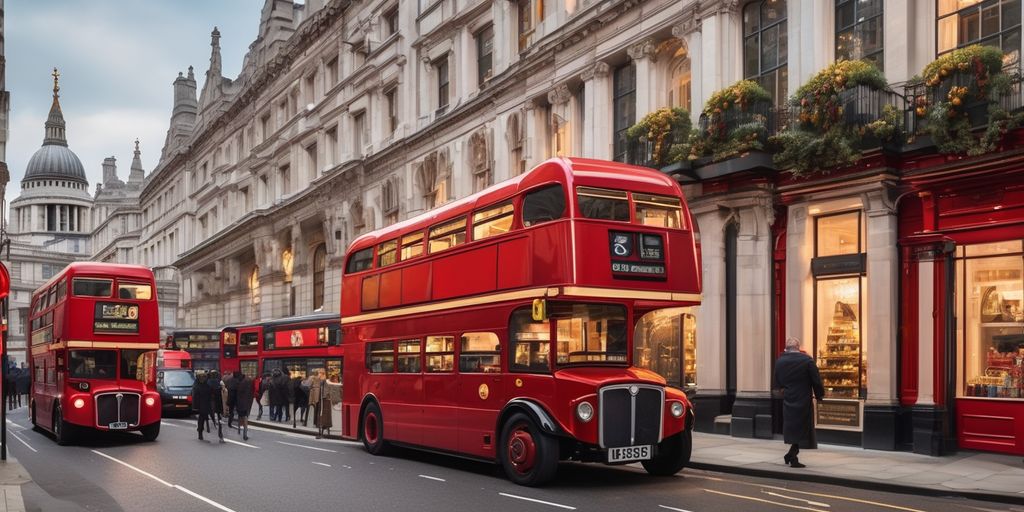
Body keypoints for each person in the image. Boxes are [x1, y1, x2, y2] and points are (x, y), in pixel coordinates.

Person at [773, 337, 824, 468]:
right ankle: (792, 455)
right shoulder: (807, 360)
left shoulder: (780, 362)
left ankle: (792, 455)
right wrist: (819, 395)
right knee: (803, 429)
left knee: (793, 429)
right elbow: (816, 381)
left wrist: (784, 392)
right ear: (798, 347)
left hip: (789, 400)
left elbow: (777, 383)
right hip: (804, 400)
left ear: (786, 348)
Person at [228, 371, 254, 441]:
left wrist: (229, 402)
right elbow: (251, 392)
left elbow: (232, 394)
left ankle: (239, 430)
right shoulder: (248, 381)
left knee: (240, 417)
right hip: (246, 402)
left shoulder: (235, 383)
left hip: (238, 403)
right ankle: (245, 434)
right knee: (245, 417)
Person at [192, 372, 213, 442]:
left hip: (204, 404)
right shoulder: (200, 386)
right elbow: (195, 396)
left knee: (203, 418)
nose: (203, 379)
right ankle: (200, 431)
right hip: (203, 404)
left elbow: (210, 393)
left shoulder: (201, 385)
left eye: (204, 377)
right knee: (202, 418)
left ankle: (201, 430)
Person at [307, 369, 328, 438]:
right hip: (319, 396)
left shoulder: (314, 379)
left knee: (316, 411)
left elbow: (309, 386)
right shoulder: (321, 379)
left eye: (320, 373)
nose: (319, 374)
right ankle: (318, 425)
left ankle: (316, 426)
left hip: (317, 396)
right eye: (319, 373)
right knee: (318, 411)